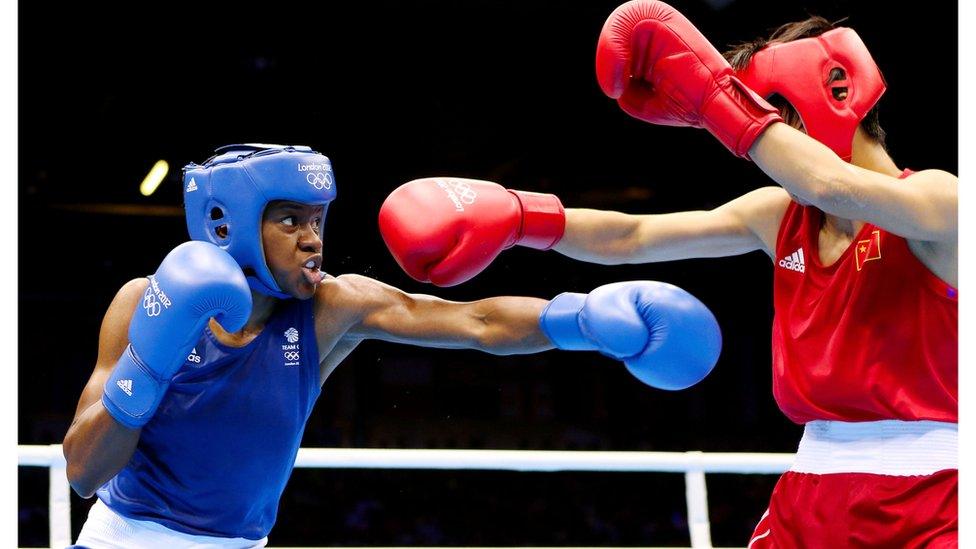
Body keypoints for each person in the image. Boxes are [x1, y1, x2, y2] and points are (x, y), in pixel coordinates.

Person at [377, 1, 958, 546]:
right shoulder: (779, 216)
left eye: (771, 115)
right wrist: (522, 217)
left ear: (832, 95)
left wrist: (716, 100)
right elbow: (634, 237)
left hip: (937, 490)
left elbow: (830, 183)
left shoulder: (941, 202)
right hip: (811, 484)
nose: (757, 141)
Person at [61, 143, 722, 549]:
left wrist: (576, 319)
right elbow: (82, 472)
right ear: (225, 224)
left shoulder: (329, 306)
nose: (313, 239)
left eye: (318, 219)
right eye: (290, 220)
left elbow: (476, 323)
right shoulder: (139, 301)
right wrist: (145, 368)